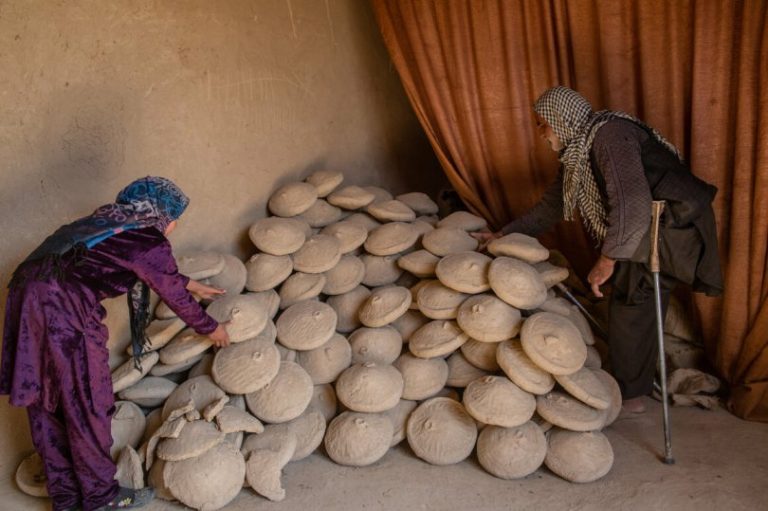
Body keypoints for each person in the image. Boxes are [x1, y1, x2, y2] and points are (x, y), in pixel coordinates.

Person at [475, 86, 723, 413]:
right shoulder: (577, 155)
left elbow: (632, 204)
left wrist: (607, 259)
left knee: (631, 300)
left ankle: (631, 396)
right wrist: (501, 235)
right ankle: (637, 384)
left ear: (561, 119)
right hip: (648, 227)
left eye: (543, 123)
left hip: (673, 223)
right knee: (637, 299)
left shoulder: (609, 137)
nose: (540, 132)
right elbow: (551, 208)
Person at [1, 176, 230, 511]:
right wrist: (212, 328)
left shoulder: (110, 224)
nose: (175, 225)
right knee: (88, 400)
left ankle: (65, 498)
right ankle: (99, 498)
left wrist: (189, 283)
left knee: (47, 398)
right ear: (163, 214)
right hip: (63, 310)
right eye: (175, 217)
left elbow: (139, 266)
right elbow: (169, 289)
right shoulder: (147, 238)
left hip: (27, 302)